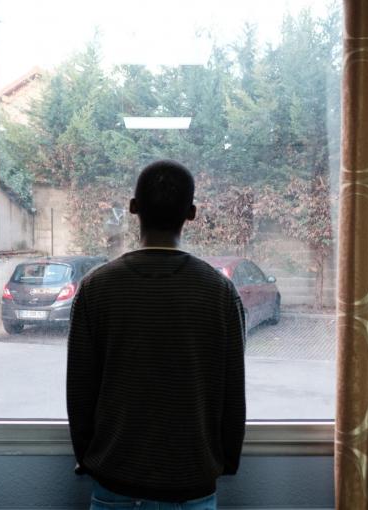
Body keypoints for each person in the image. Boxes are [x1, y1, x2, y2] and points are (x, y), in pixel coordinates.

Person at [67, 159, 246, 509]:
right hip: (191, 483)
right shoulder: (220, 292)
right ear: (191, 213)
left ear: (133, 208)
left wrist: (87, 457)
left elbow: (80, 391)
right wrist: (225, 460)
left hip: (114, 482)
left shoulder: (95, 287)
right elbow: (232, 393)